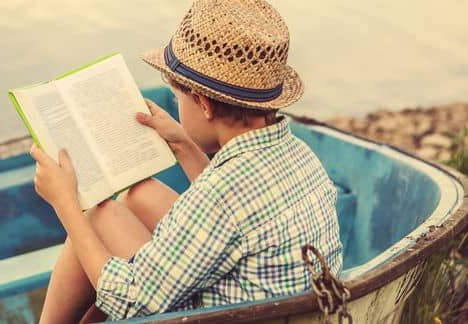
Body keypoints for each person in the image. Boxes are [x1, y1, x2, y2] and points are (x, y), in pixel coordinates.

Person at [30, 0, 343, 322]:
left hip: (227, 315)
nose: (178, 106)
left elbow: (131, 302)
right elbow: (241, 213)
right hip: (276, 306)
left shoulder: (223, 193)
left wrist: (65, 204)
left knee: (98, 217)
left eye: (179, 98)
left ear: (204, 105)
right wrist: (183, 144)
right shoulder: (298, 154)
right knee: (140, 194)